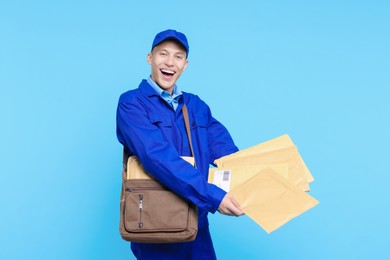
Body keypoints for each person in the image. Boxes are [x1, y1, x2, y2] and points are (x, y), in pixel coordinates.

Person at [116, 29, 244, 260]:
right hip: (156, 224)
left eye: (177, 57)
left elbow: (230, 155)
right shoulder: (132, 103)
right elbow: (158, 158)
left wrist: (271, 181)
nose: (169, 62)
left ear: (185, 64)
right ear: (150, 58)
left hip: (197, 224)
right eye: (163, 54)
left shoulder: (196, 106)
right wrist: (214, 196)